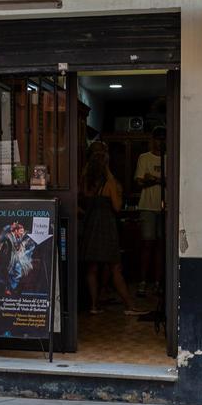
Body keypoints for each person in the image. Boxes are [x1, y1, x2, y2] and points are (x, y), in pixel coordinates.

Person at [80, 141, 147, 316]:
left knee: (92, 267)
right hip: (106, 225)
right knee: (115, 267)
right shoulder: (109, 183)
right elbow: (117, 207)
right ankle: (129, 305)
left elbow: (85, 201)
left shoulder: (86, 181)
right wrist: (110, 177)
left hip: (90, 225)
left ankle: (94, 306)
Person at [135, 127, 166, 296]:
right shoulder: (144, 158)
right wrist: (158, 180)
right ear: (153, 139)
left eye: (163, 139)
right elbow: (139, 181)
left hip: (165, 207)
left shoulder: (170, 158)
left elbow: (173, 181)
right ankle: (143, 282)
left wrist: (152, 179)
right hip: (147, 206)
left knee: (161, 246)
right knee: (147, 244)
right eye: (158, 138)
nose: (160, 142)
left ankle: (158, 281)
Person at [0, 221, 38, 294]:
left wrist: (23, 244)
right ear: (15, 231)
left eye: (22, 231)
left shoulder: (22, 236)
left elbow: (28, 241)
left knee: (17, 273)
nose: (22, 233)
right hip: (7, 259)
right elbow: (1, 238)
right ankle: (6, 288)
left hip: (16, 259)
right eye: (20, 231)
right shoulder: (9, 236)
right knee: (0, 274)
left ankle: (9, 288)